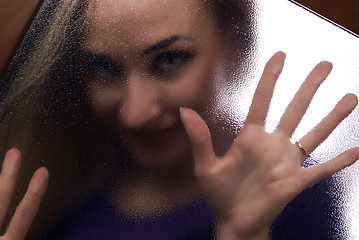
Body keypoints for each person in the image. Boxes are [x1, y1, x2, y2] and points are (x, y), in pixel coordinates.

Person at [0, 0, 358, 239]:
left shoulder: (287, 192)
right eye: (103, 67)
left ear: (234, 38)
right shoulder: (58, 182)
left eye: (169, 60)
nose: (135, 113)